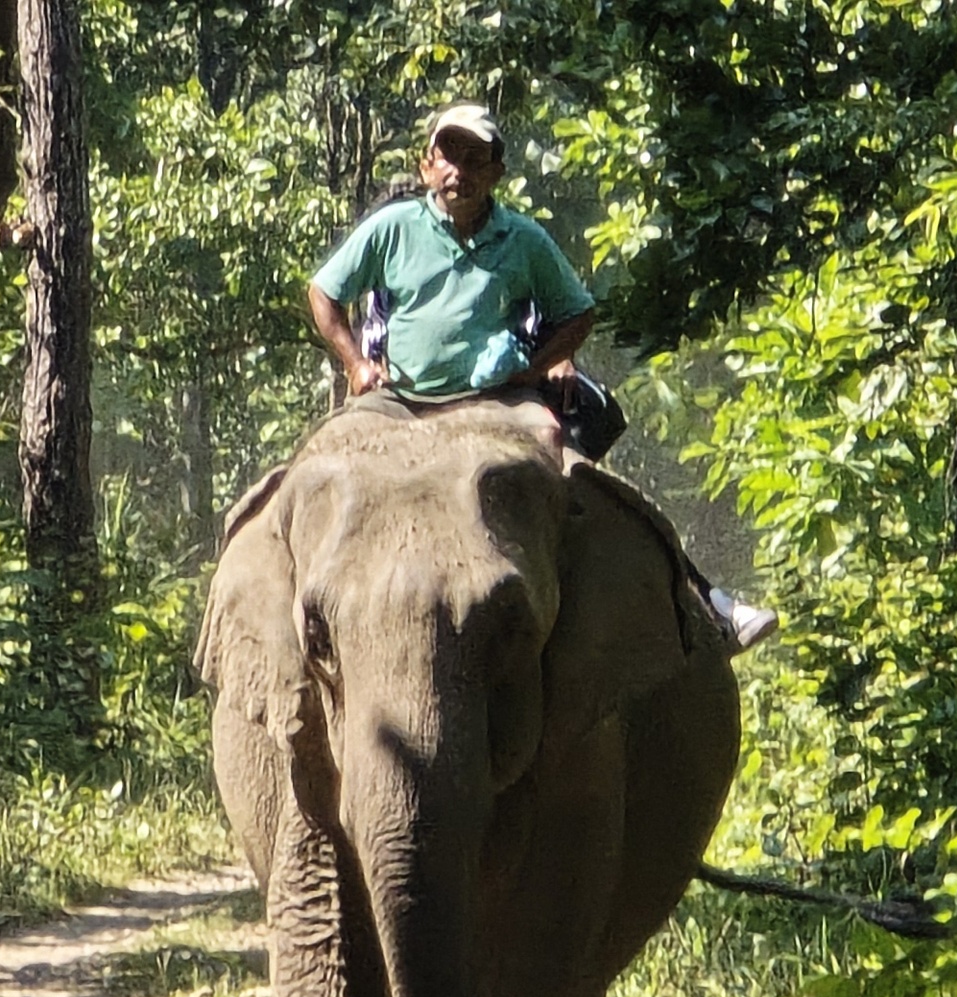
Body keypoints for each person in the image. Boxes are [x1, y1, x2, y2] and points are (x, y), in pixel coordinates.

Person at [304, 103, 774, 647]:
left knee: (557, 445)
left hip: (497, 396)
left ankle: (707, 604)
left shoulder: (523, 240)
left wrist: (545, 360)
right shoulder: (393, 227)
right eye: (449, 155)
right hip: (401, 398)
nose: (459, 171)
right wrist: (356, 364)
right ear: (427, 164)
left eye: (475, 159)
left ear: (496, 173)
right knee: (317, 462)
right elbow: (324, 292)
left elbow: (577, 312)